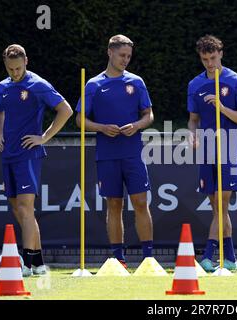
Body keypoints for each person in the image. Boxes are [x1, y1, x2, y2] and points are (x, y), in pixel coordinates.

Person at [0, 44, 73, 276]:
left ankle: (26, 264)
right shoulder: (3, 87)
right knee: (18, 209)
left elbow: (65, 110)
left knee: (26, 208)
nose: (15, 73)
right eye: (10, 69)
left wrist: (44, 137)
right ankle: (38, 264)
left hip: (28, 154)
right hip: (8, 155)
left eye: (18, 68)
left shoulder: (38, 84)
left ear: (26, 61)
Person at [75, 35, 154, 268]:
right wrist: (101, 127)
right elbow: (80, 119)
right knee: (114, 205)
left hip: (133, 152)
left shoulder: (137, 82)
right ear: (110, 52)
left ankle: (148, 258)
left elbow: (149, 115)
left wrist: (137, 125)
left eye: (129, 56)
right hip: (107, 154)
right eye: (122, 55)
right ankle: (118, 258)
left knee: (141, 202)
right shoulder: (93, 84)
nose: (126, 60)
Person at [187, 35, 237, 272]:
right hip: (206, 151)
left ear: (221, 54)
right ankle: (231, 259)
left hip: (229, 150)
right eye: (205, 59)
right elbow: (193, 120)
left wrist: (222, 107)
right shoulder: (194, 85)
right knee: (217, 208)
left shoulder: (236, 81)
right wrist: (191, 134)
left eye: (213, 58)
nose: (209, 63)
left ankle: (209, 254)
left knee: (222, 205)